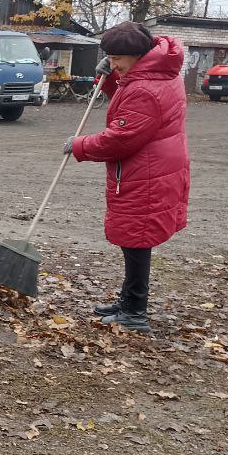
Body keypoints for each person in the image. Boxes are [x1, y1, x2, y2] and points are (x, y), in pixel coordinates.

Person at [65, 22, 190, 334]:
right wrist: (108, 81)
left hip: (147, 173)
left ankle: (135, 312)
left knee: (137, 239)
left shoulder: (146, 88)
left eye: (118, 58)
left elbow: (121, 138)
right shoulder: (156, 72)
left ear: (138, 55)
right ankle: (129, 301)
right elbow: (126, 98)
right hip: (150, 168)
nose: (113, 63)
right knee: (136, 239)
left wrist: (79, 145)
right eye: (110, 57)